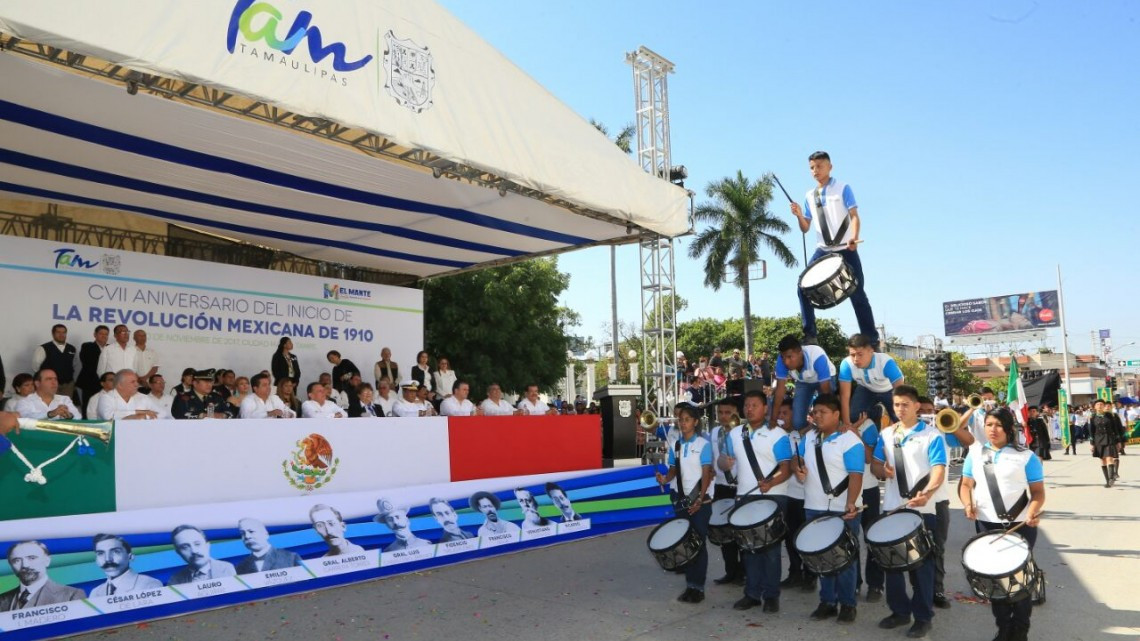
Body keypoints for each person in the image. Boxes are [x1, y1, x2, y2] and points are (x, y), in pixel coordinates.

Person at [959, 408, 1046, 641]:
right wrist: (967, 504)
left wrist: (1034, 512)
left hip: (1021, 525)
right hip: (987, 525)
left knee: (1019, 581)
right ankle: (1003, 628)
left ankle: (1020, 630)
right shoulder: (975, 454)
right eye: (988, 424)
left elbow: (1037, 492)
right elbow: (966, 485)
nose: (993, 429)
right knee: (995, 580)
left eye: (998, 425)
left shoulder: (1026, 457)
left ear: (1009, 428)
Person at [871, 385, 947, 639]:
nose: (900, 409)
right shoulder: (885, 433)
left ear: (916, 406)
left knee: (922, 567)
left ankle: (923, 616)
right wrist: (882, 471)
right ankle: (899, 611)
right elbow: (876, 465)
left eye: (905, 404)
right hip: (892, 507)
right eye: (896, 405)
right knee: (891, 564)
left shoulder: (932, 436)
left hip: (922, 510)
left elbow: (938, 469)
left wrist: (928, 492)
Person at [789, 150, 879, 345]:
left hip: (846, 248)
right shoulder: (809, 196)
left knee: (857, 292)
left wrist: (854, 238)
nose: (815, 171)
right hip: (823, 250)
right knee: (802, 287)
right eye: (812, 168)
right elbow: (805, 228)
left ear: (830, 166)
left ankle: (871, 339)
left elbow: (854, 215)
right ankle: (810, 334)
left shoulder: (842, 188)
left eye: (820, 166)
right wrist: (798, 215)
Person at [793, 393, 865, 624]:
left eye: (823, 412)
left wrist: (851, 502)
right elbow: (797, 460)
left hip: (843, 509)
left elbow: (856, 474)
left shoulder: (850, 440)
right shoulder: (809, 438)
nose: (817, 416)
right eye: (815, 412)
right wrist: (798, 468)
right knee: (821, 558)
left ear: (836, 414)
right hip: (813, 506)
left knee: (845, 559)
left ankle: (847, 604)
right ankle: (827, 601)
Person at [719, 391, 792, 612]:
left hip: (773, 496)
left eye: (754, 405)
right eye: (747, 405)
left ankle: (771, 596)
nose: (749, 409)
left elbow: (786, 468)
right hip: (745, 495)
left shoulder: (778, 434)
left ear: (765, 408)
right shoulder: (734, 434)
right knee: (748, 547)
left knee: (770, 550)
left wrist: (772, 482)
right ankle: (751, 594)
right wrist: (725, 463)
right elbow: (723, 461)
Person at [654, 402, 713, 604]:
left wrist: (699, 498)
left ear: (695, 422)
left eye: (687, 420)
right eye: (681, 420)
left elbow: (707, 474)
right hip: (682, 501)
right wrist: (665, 479)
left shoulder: (703, 445)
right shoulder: (676, 446)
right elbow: (673, 470)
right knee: (686, 545)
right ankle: (690, 585)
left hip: (700, 501)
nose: (683, 423)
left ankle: (699, 587)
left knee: (699, 543)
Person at [770, 334, 837, 431]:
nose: (786, 362)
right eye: (784, 357)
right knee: (797, 423)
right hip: (803, 382)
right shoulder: (781, 360)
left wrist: (820, 415)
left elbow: (825, 393)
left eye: (790, 357)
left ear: (800, 353)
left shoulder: (817, 356)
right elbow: (780, 391)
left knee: (827, 411)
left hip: (825, 379)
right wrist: (773, 419)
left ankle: (832, 428)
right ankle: (812, 432)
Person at [708, 398, 743, 585]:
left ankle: (744, 573)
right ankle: (731, 570)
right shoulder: (714, 432)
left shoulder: (744, 432)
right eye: (720, 412)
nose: (723, 416)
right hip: (721, 487)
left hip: (741, 487)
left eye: (728, 412)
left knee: (742, 532)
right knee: (723, 532)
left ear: (736, 412)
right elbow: (712, 456)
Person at [838, 333, 904, 428]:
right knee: (853, 417)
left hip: (889, 390)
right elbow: (844, 396)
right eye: (852, 355)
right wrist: (846, 424)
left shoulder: (886, 362)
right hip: (866, 388)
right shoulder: (846, 364)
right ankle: (877, 412)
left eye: (860, 354)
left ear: (871, 351)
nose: (856, 359)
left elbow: (901, 392)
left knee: (899, 419)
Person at [0, 540, 84, 609]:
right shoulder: (2, 599)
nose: (25, 565)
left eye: (32, 558)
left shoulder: (72, 595)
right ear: (10, 565)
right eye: (17, 560)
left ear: (47, 561)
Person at [89, 534, 162, 596]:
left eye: (116, 551)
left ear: (130, 556)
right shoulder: (95, 593)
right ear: (96, 560)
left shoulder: (149, 585)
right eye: (100, 553)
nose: (108, 559)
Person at [167, 525, 236, 585]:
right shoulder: (175, 580)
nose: (194, 551)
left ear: (207, 546)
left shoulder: (227, 569)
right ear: (178, 552)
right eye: (185, 547)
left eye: (197, 544)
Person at [235, 518, 301, 574]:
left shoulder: (291, 558)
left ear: (266, 534)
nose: (247, 536)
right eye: (242, 533)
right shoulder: (240, 567)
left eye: (251, 531)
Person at [32, 324, 77, 400]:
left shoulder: (72, 348)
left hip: (67, 385)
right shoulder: (43, 348)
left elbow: (73, 365)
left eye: (64, 332)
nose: (61, 335)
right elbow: (36, 367)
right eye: (58, 332)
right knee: (49, 405)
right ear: (53, 334)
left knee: (65, 407)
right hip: (49, 384)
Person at [15, 368, 79, 420]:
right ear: (37, 383)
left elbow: (78, 418)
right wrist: (50, 414)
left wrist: (69, 416)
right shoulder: (24, 402)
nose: (54, 382)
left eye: (55, 379)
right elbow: (24, 418)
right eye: (49, 379)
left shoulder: (65, 399)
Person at [76, 325, 109, 416]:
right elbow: (89, 363)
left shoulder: (111, 348)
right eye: (101, 333)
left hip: (107, 384)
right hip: (90, 383)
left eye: (106, 334)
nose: (104, 336)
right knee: (88, 408)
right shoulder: (87, 346)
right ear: (95, 335)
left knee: (105, 407)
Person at [1088, 399, 1122, 487]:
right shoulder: (1092, 417)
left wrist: (1118, 441)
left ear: (1104, 406)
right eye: (1098, 404)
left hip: (1110, 439)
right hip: (1098, 441)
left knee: (1109, 458)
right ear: (1095, 407)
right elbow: (1091, 431)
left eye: (1101, 404)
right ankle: (1107, 481)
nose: (1100, 406)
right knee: (1102, 460)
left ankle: (1111, 478)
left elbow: (1115, 429)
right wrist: (1092, 444)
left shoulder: (1109, 416)